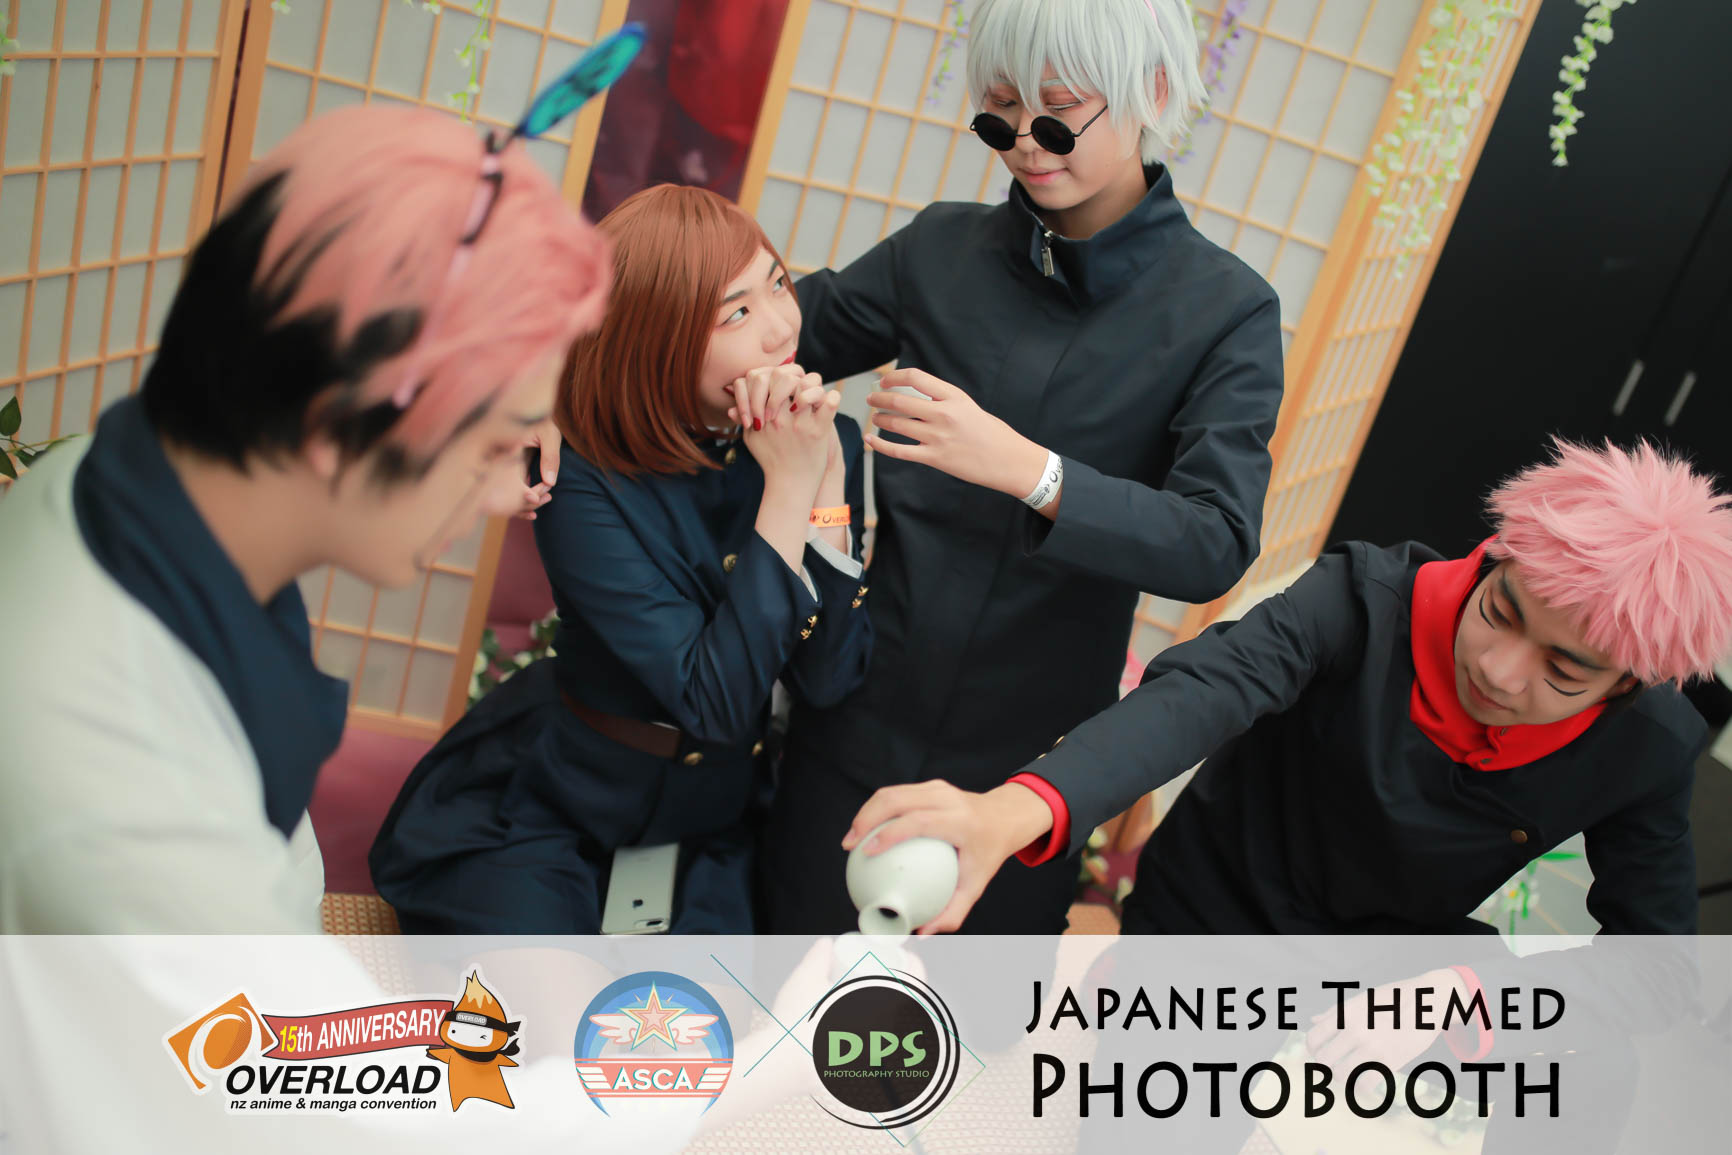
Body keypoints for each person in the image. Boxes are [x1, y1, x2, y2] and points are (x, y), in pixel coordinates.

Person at [0, 104, 610, 932]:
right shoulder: (136, 820)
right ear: (337, 422)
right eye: (497, 445)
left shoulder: (109, 480)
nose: (508, 493)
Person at [753, 0, 1285, 933]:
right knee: (782, 976)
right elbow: (775, 339)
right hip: (856, 713)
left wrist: (1029, 469)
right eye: (1000, 114)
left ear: (1153, 92)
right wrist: (566, 395)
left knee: (965, 1016)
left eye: (1058, 114)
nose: (1027, 145)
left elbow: (1214, 541)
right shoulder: (940, 248)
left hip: (1026, 773)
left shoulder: (1225, 311)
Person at [847, 437, 1730, 942]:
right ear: (1492, 559)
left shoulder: (1648, 748)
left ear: (1628, 684)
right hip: (1215, 898)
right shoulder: (1365, 599)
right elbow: (1206, 688)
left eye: (1563, 670)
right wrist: (1016, 807)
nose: (1500, 669)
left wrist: (1470, 990)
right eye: (1499, 611)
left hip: (1387, 962)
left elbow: (1651, 969)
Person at [370, 185, 873, 934]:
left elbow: (828, 678)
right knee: (543, 994)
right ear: (659, 338)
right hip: (562, 796)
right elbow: (712, 701)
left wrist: (825, 480)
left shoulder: (819, 440)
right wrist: (790, 488)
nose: (780, 329)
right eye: (735, 314)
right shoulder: (583, 479)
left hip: (711, 818)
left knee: (698, 1004)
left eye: (778, 285)